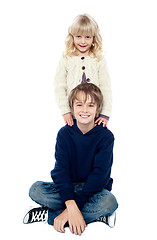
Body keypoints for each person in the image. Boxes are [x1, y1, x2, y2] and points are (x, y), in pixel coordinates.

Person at [23, 83, 118, 236]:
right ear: (72, 108)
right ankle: (93, 216)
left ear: (98, 109)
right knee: (35, 190)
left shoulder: (106, 137)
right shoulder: (64, 134)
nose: (84, 110)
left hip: (93, 190)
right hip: (68, 187)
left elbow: (100, 176)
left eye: (90, 105)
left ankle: (50, 216)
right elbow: (61, 171)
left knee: (109, 202)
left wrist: (73, 207)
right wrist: (71, 204)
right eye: (79, 104)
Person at [54, 14, 112, 127]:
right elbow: (59, 87)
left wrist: (105, 113)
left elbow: (106, 87)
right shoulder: (66, 59)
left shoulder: (98, 60)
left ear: (94, 38)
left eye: (87, 37)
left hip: (94, 112)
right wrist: (65, 111)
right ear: (72, 37)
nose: (83, 41)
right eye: (78, 36)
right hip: (74, 112)